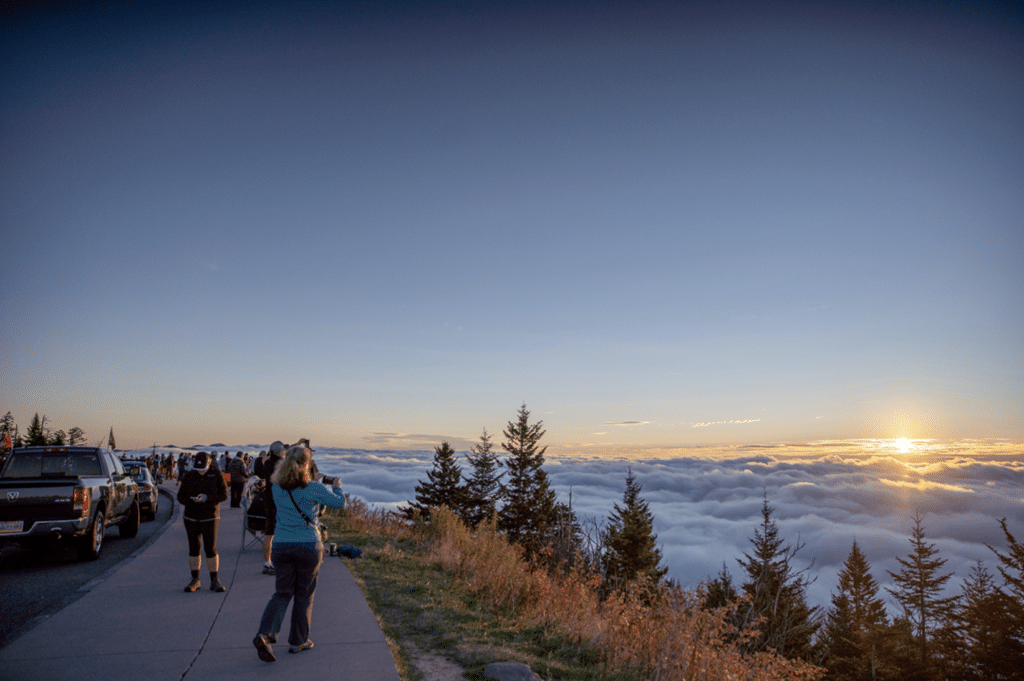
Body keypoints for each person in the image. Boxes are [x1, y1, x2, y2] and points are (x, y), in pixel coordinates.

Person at [253, 443, 345, 662]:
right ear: (307, 465)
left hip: (282, 545)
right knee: (304, 593)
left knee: (282, 593)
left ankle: (264, 634)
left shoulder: (276, 487)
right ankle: (298, 641)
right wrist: (337, 485)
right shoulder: (313, 488)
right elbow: (340, 503)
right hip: (308, 545)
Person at [177, 452, 229, 592]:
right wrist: (190, 500)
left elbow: (224, 495)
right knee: (194, 547)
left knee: (210, 548)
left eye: (203, 469)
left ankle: (214, 580)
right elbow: (180, 496)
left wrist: (208, 498)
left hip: (210, 516)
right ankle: (195, 580)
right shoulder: (189, 475)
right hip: (191, 516)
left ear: (209, 464)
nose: (200, 472)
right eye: (198, 469)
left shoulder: (216, 474)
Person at [255, 441, 286, 575]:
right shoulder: (282, 464)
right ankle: (279, 562)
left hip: (268, 498)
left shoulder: (267, 463)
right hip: (280, 499)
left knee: (269, 532)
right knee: (282, 531)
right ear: (280, 452)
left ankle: (267, 562)